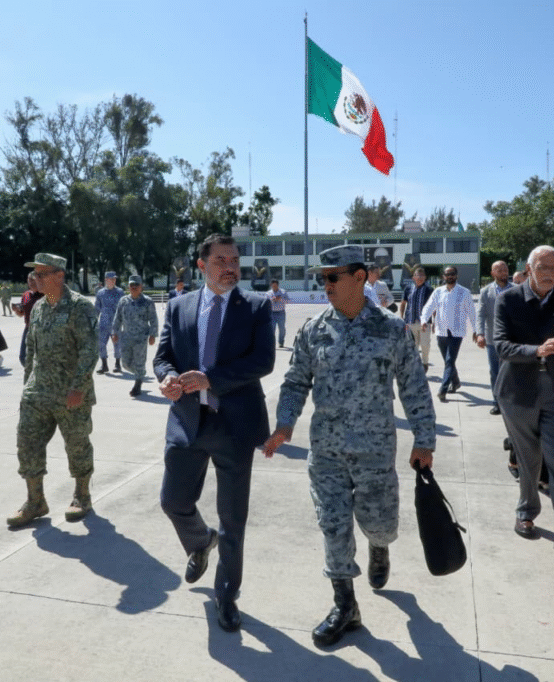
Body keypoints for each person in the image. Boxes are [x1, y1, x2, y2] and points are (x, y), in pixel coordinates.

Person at [263, 244, 435, 647]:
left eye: (332, 277)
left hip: (375, 450)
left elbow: (413, 385)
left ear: (359, 277)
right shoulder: (314, 330)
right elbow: (295, 381)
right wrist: (285, 423)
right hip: (326, 451)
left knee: (381, 523)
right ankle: (345, 604)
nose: (325, 285)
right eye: (322, 278)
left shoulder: (391, 329)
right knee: (333, 524)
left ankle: (379, 546)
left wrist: (424, 438)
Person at [153, 233, 274, 633]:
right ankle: (199, 541)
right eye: (221, 260)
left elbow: (263, 361)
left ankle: (226, 594)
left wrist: (210, 379)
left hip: (234, 425)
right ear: (202, 265)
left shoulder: (255, 305)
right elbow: (164, 356)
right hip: (188, 420)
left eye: (234, 260)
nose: (230, 267)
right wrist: (166, 378)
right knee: (173, 501)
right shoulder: (179, 306)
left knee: (232, 519)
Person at [494, 245, 554, 557]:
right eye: (542, 267)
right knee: (527, 456)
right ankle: (526, 511)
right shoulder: (508, 299)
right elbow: (501, 346)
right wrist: (536, 351)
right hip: (518, 390)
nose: (549, 273)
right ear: (528, 268)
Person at [7, 254, 98, 528]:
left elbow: (89, 350)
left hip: (70, 395)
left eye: (41, 274)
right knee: (27, 443)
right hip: (37, 393)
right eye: (34, 274)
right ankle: (35, 501)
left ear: (59, 275)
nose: (35, 278)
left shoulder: (80, 307)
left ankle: (82, 495)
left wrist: (78, 387)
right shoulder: (37, 307)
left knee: (77, 445)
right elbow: (31, 349)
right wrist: (27, 385)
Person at [419, 266, 477, 402]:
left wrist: (476, 330)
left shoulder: (464, 292)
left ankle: (443, 389)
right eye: (447, 274)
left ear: (456, 276)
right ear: (443, 276)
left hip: (457, 332)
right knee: (448, 361)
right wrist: (424, 320)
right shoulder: (438, 291)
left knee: (450, 361)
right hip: (441, 331)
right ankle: (456, 382)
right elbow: (429, 306)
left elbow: (472, 312)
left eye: (452, 274)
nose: (450, 276)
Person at [110, 275, 158, 397]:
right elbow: (117, 318)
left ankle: (138, 384)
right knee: (125, 364)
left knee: (139, 361)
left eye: (137, 285)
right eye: (132, 285)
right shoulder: (123, 301)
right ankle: (140, 374)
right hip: (126, 337)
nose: (134, 287)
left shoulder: (147, 302)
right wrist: (114, 332)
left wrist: (153, 335)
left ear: (141, 287)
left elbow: (153, 319)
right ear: (128, 287)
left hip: (141, 338)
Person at [476, 261, 513, 415]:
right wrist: (480, 334)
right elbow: (480, 314)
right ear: (493, 273)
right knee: (495, 372)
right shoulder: (486, 292)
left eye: (505, 269)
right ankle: (497, 402)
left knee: (511, 372)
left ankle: (510, 402)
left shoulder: (516, 290)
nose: (503, 272)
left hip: (512, 339)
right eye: (499, 270)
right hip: (492, 340)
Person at [398, 267, 433, 367]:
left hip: (425, 323)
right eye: (418, 275)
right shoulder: (408, 289)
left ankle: (425, 363)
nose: (420, 278)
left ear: (425, 277)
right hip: (410, 322)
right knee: (413, 346)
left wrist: (435, 322)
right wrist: (401, 317)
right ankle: (415, 366)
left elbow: (433, 306)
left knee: (425, 344)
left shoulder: (429, 290)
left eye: (422, 276)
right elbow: (403, 303)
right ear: (413, 277)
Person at [13, 272, 44, 367]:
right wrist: (17, 311)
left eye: (33, 280)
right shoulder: (26, 294)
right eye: (29, 280)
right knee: (23, 357)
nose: (31, 283)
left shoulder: (45, 295)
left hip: (42, 330)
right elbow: (22, 313)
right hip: (28, 328)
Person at [95, 271, 123, 374]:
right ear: (106, 280)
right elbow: (97, 308)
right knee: (101, 344)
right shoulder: (100, 293)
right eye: (111, 279)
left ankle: (117, 364)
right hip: (103, 323)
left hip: (115, 323)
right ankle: (104, 365)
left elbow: (123, 308)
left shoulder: (120, 292)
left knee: (117, 344)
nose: (113, 281)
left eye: (114, 279)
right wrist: (93, 321)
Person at [266, 279, 291, 347]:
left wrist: (280, 299)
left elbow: (288, 301)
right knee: (272, 329)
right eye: (273, 286)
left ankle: (281, 342)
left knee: (282, 329)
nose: (274, 287)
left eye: (275, 286)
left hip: (281, 313)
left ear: (278, 285)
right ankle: (272, 343)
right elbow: (265, 302)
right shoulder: (268, 293)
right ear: (271, 285)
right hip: (272, 313)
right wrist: (272, 300)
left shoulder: (283, 292)